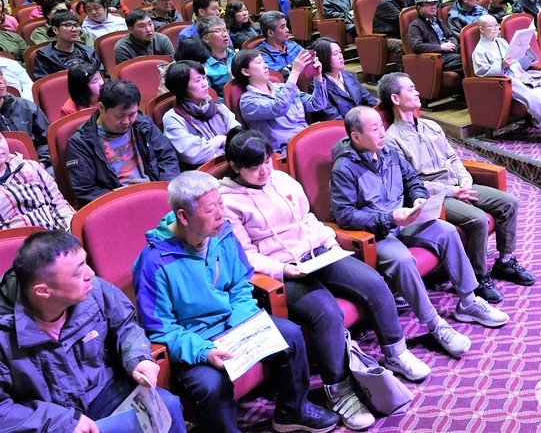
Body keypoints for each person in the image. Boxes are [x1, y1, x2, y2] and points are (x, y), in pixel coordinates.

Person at [219, 128, 429, 429]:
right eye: (254, 167)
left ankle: (396, 352)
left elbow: (308, 220)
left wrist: (330, 244)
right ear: (235, 166)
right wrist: (283, 270)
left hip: (316, 253)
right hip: (282, 271)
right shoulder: (227, 202)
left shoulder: (281, 179)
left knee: (372, 282)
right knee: (326, 312)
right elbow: (246, 255)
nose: (264, 170)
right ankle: (338, 390)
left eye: (266, 161)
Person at [133, 171, 340, 433]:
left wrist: (243, 323)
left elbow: (240, 286)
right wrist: (204, 352)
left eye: (221, 203)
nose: (221, 213)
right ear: (183, 216)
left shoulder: (223, 233)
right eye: (211, 209)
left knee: (290, 336)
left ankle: (292, 411)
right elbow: (161, 329)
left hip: (234, 323)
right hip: (195, 339)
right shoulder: (153, 262)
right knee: (211, 385)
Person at [331, 106, 511, 359]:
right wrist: (389, 217)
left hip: (404, 218)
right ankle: (435, 324)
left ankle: (468, 301)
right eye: (374, 129)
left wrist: (417, 199)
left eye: (381, 126)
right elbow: (345, 215)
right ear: (356, 137)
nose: (382, 132)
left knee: (446, 231)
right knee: (403, 260)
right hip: (377, 231)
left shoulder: (388, 151)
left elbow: (413, 181)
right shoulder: (344, 168)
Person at [0, 231, 186, 433]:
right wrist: (61, 422)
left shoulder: (94, 290)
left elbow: (125, 326)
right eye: (77, 272)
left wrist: (138, 358)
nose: (90, 273)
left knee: (168, 406)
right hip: (48, 415)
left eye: (85, 262)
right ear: (43, 291)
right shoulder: (4, 332)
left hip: (102, 393)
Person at [380, 73, 536, 304]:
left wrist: (465, 181)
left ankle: (504, 261)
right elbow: (410, 182)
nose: (417, 92)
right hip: (434, 196)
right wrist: (452, 192)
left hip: (457, 185)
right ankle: (479, 277)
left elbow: (453, 158)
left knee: (508, 202)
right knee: (477, 219)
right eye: (411, 89)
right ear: (395, 98)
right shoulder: (392, 139)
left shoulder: (431, 126)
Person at [66, 79, 180, 207]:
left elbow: (167, 157)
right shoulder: (81, 143)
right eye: (120, 116)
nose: (126, 122)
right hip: (117, 203)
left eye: (132, 114)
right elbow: (85, 190)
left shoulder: (143, 124)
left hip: (154, 193)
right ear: (101, 108)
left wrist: (166, 188)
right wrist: (122, 200)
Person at [471, 14, 541, 147]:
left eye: (496, 25)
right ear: (481, 29)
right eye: (491, 26)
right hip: (506, 81)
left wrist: (524, 51)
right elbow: (481, 72)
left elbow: (517, 63)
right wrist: (502, 65)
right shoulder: (479, 50)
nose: (495, 29)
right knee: (536, 95)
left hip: (520, 74)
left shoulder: (502, 42)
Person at [234, 48, 326, 153]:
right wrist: (295, 72)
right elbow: (279, 107)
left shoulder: (281, 87)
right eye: (259, 62)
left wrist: (318, 77)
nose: (265, 65)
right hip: (286, 151)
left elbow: (318, 104)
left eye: (264, 61)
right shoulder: (248, 101)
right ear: (245, 71)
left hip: (308, 139)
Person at [162, 60, 239, 168]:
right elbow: (194, 155)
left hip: (234, 164)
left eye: (204, 78)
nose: (205, 84)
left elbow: (239, 137)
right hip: (201, 174)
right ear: (182, 88)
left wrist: (216, 152)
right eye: (198, 80)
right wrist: (220, 140)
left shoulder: (217, 106)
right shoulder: (173, 118)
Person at [0, 133, 74, 229]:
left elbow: (58, 205)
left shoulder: (30, 167)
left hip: (55, 233)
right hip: (16, 237)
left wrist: (69, 230)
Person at [309, 37, 376, 121]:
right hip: (343, 127)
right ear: (324, 58)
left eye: (340, 52)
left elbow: (369, 100)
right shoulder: (317, 86)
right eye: (335, 54)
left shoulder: (349, 75)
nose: (341, 56)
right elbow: (333, 118)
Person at [33, 10, 105, 81]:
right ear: (55, 30)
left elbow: (102, 76)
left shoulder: (88, 52)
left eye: (76, 25)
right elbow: (46, 85)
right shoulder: (44, 58)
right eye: (68, 25)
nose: (74, 29)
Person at [0, 70, 50, 168]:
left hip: (36, 164)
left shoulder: (26, 106)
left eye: (0, 75)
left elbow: (46, 141)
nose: (0, 81)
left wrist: (42, 163)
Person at [409, 0, 463, 75]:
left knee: (472, 54)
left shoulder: (438, 20)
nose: (434, 7)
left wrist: (452, 44)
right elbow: (416, 46)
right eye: (429, 5)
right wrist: (441, 47)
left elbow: (451, 36)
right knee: (466, 61)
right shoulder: (415, 25)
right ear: (419, 8)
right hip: (438, 57)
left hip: (451, 52)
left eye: (435, 4)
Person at [256, 10, 303, 80]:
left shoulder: (293, 45)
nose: (287, 30)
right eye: (282, 27)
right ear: (270, 33)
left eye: (286, 26)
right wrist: (297, 68)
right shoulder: (261, 55)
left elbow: (311, 61)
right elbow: (279, 76)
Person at [197, 16, 235, 96]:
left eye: (225, 30)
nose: (225, 34)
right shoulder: (202, 66)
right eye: (218, 31)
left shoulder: (236, 56)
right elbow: (209, 97)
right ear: (206, 38)